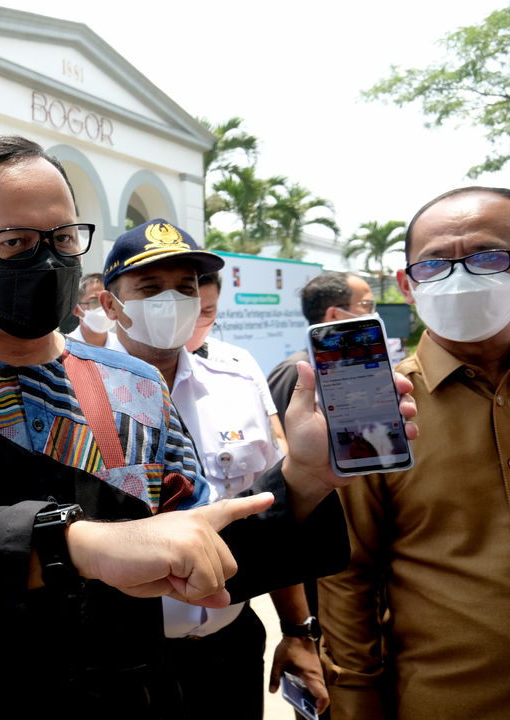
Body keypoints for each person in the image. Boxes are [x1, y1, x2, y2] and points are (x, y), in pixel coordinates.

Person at [0, 136, 417, 719]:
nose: (46, 259)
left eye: (62, 238)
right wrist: (71, 545)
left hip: (134, 697)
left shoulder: (135, 387)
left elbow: (206, 547)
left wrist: (305, 479)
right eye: (15, 240)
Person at [99, 221, 327, 718]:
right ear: (110, 305)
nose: (172, 301)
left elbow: (271, 514)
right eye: (150, 288)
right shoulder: (71, 394)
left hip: (231, 647)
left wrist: (297, 630)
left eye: (186, 287)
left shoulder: (235, 384)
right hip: (120, 664)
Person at [318, 186, 510, 720]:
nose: (461, 277)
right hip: (446, 702)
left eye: (488, 256)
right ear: (406, 285)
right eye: (434, 265)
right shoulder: (371, 403)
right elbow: (347, 574)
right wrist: (355, 703)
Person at [187, 271, 287, 451]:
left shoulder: (239, 362)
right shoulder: (142, 368)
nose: (196, 321)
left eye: (207, 310)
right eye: (188, 311)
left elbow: (277, 439)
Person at [266, 271, 374, 418]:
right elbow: (277, 436)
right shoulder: (294, 370)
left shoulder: (358, 365)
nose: (373, 313)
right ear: (335, 314)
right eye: (367, 305)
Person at [67, 272, 124, 351]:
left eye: (108, 302)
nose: (104, 308)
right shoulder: (66, 350)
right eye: (94, 302)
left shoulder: (123, 349)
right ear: (76, 310)